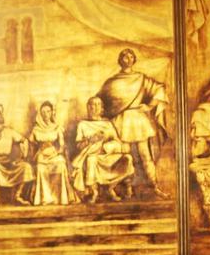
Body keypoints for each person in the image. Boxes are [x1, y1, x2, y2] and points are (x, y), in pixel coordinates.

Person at [98, 48, 169, 198]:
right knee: (125, 156)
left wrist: (149, 106)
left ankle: (154, 186)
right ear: (120, 59)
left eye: (131, 56)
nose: (128, 58)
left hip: (138, 120)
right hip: (121, 121)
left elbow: (159, 89)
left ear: (134, 59)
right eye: (125, 56)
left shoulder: (141, 78)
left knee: (145, 156)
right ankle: (127, 189)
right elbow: (101, 101)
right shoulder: (112, 82)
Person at [71, 95, 133, 202]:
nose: (95, 107)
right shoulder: (83, 124)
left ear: (102, 108)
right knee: (91, 159)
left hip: (109, 154)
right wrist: (90, 140)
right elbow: (79, 146)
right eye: (92, 105)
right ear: (88, 107)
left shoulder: (108, 124)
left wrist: (107, 147)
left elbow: (117, 140)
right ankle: (94, 193)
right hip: (93, 154)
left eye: (98, 104)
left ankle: (110, 188)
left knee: (127, 158)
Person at [29, 101, 70, 205]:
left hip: (54, 154)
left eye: (48, 111)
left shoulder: (57, 127)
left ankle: (59, 197)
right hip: (42, 154)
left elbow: (62, 145)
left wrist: (56, 153)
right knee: (40, 168)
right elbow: (31, 144)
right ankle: (45, 198)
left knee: (61, 164)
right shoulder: (36, 129)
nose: (46, 114)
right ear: (40, 114)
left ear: (52, 113)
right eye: (43, 112)